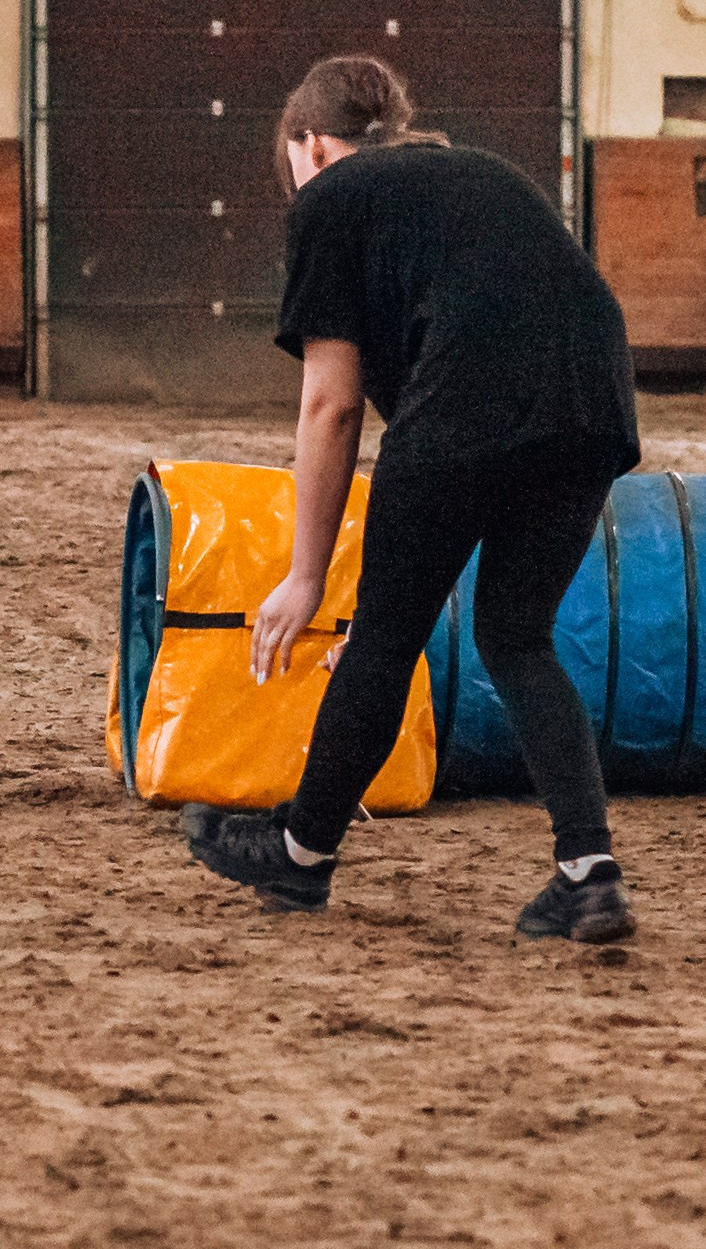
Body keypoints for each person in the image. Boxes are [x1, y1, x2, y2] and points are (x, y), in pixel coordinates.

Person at [182, 53, 642, 945]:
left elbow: (331, 403)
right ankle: (589, 876)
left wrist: (306, 576)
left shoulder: (329, 198)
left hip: (474, 397)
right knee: (516, 636)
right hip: (593, 397)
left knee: (384, 641)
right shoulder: (475, 171)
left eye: (293, 164)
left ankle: (299, 854)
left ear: (311, 144)